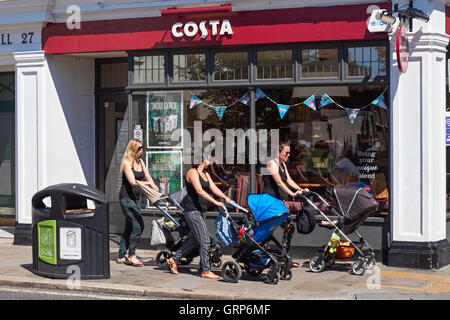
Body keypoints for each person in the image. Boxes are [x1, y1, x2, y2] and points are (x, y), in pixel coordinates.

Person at [167, 156, 232, 279]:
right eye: (208, 157)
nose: (210, 160)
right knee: (205, 240)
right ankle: (205, 270)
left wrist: (225, 197)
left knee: (193, 240)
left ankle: (173, 260)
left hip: (201, 211)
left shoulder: (205, 174)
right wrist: (216, 202)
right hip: (192, 211)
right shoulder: (192, 172)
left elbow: (214, 188)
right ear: (202, 159)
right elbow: (199, 191)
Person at [262, 143, 316, 264]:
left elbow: (289, 180)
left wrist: (300, 190)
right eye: (286, 153)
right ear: (278, 153)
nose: (288, 155)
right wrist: (292, 194)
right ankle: (264, 256)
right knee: (268, 229)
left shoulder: (283, 165)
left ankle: (283, 256)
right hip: (269, 202)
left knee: (289, 227)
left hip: (278, 202)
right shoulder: (271, 164)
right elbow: (279, 182)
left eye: (289, 153)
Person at [117, 139, 159, 267]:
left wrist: (154, 186)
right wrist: (149, 184)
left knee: (129, 227)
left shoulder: (140, 162)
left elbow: (147, 176)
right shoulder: (127, 163)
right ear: (133, 149)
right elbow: (133, 182)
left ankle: (121, 255)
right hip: (126, 198)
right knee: (138, 225)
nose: (141, 150)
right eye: (139, 148)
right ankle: (132, 255)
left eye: (142, 148)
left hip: (135, 199)